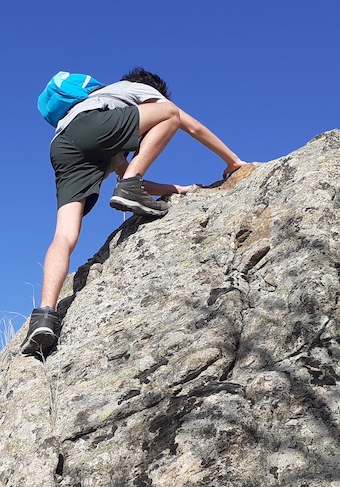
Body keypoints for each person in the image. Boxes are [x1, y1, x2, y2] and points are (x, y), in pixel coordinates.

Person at [20, 67, 246, 357]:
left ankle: (44, 316)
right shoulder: (132, 89)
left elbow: (128, 177)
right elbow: (186, 123)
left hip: (61, 145)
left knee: (64, 235)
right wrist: (233, 161)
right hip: (89, 128)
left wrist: (181, 189)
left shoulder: (103, 118)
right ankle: (44, 316)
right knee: (170, 114)